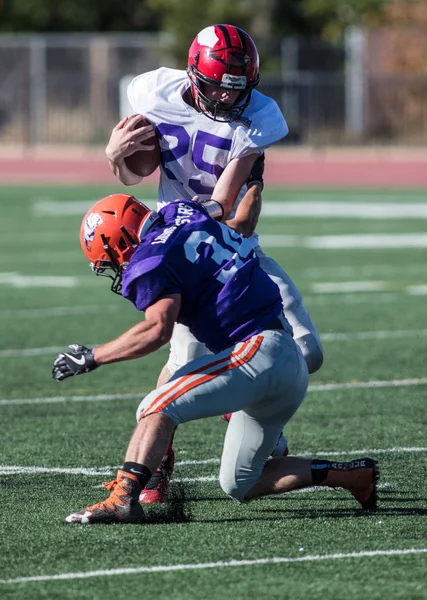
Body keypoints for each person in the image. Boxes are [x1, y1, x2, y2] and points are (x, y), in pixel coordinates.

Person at [52, 193, 378, 524]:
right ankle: (352, 477)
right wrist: (252, 180)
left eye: (110, 261)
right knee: (239, 482)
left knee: (155, 406)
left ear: (119, 242)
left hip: (258, 351)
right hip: (287, 360)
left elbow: (157, 329)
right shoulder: (183, 211)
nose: (116, 269)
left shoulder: (149, 258)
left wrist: (92, 357)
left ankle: (123, 497)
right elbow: (226, 210)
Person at [105, 23, 324, 502]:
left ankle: (247, 407)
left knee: (309, 353)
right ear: (191, 74)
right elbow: (135, 172)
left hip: (230, 243)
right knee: (182, 363)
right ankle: (153, 470)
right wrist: (115, 160)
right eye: (215, 89)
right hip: (182, 254)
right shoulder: (152, 90)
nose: (226, 101)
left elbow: (233, 204)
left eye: (236, 91)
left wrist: (197, 218)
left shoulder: (261, 115)